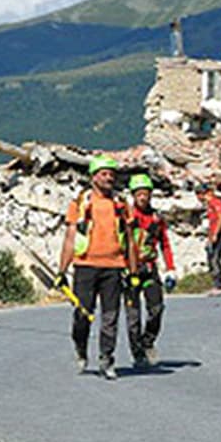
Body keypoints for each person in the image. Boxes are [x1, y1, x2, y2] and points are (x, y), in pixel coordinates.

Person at [59, 155, 136, 381]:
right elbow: (69, 239)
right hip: (85, 266)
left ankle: (106, 359)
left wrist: (133, 272)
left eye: (111, 174)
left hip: (114, 267)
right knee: (83, 315)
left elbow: (130, 240)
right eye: (104, 173)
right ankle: (81, 348)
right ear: (93, 177)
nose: (109, 177)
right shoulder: (81, 203)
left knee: (110, 317)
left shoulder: (121, 205)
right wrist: (61, 271)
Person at [125, 173, 175, 368]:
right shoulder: (126, 216)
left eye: (146, 194)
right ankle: (137, 353)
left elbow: (165, 244)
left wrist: (170, 268)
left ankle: (148, 342)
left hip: (149, 268)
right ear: (133, 195)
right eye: (139, 194)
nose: (143, 198)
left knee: (156, 308)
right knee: (133, 316)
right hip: (129, 271)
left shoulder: (157, 218)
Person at [196, 182, 221, 295]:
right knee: (211, 257)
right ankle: (216, 284)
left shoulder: (215, 202)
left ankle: (219, 286)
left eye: (198, 195)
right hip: (213, 234)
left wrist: (215, 234)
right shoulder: (209, 204)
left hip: (220, 234)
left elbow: (220, 218)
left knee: (215, 258)